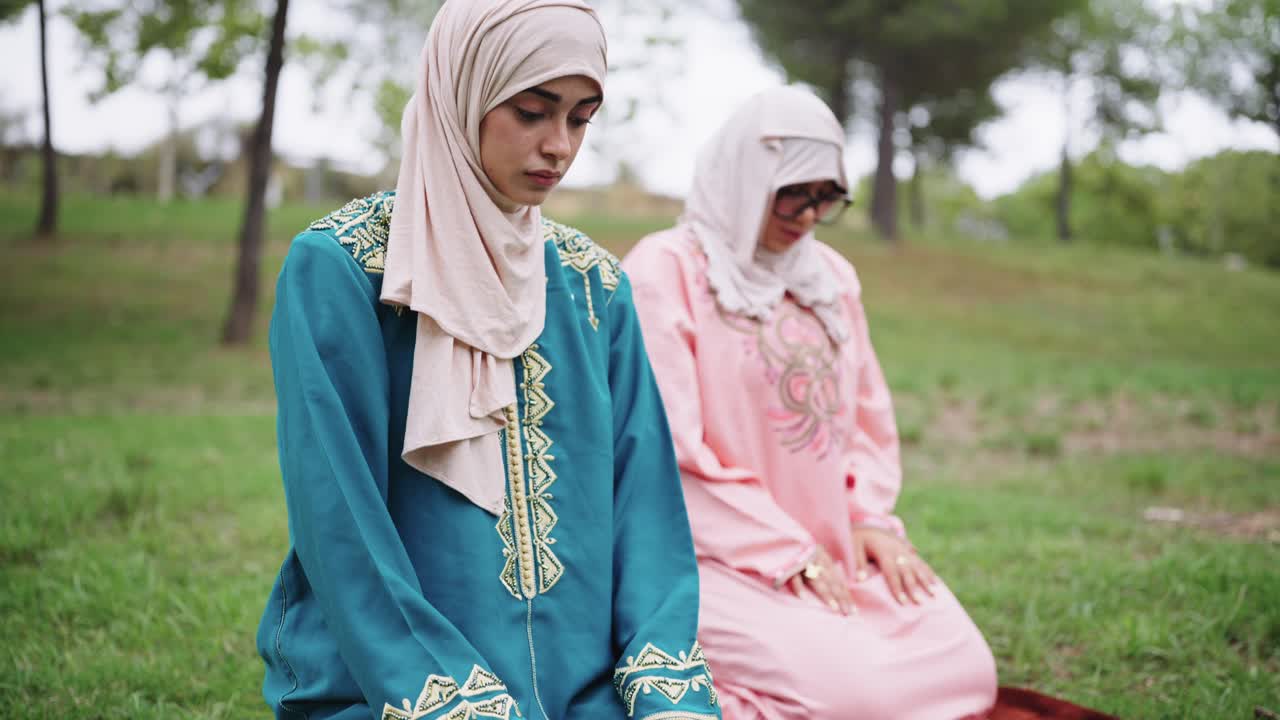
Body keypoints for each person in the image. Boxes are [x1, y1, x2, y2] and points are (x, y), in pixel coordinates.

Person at [255, 2, 719, 719]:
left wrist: (663, 695)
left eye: (581, 117)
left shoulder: (596, 288)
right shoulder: (344, 272)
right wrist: (450, 699)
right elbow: (340, 521)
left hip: (585, 693)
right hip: (391, 688)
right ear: (460, 92)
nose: (559, 145)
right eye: (533, 111)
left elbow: (647, 510)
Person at [621, 86, 998, 720]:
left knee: (966, 671)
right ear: (745, 174)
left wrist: (868, 518)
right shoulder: (667, 271)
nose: (809, 215)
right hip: (711, 556)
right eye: (794, 191)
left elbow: (867, 423)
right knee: (856, 696)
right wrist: (780, 549)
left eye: (828, 197)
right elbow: (668, 452)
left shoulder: (830, 277)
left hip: (832, 546)